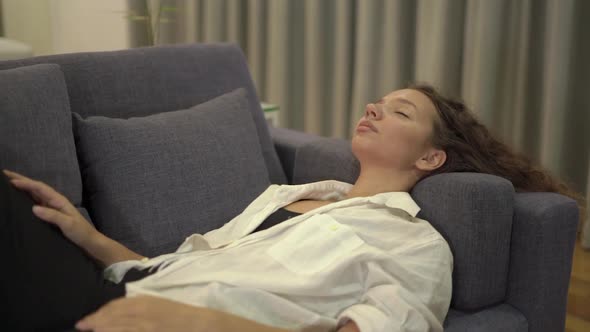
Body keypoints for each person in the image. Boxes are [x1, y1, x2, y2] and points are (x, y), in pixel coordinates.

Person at [1, 84, 582, 332]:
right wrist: (86, 235)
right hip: (128, 293)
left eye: (400, 112)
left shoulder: (415, 243)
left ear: (431, 158)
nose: (375, 108)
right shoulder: (290, 196)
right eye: (379, 102)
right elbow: (178, 267)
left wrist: (204, 324)